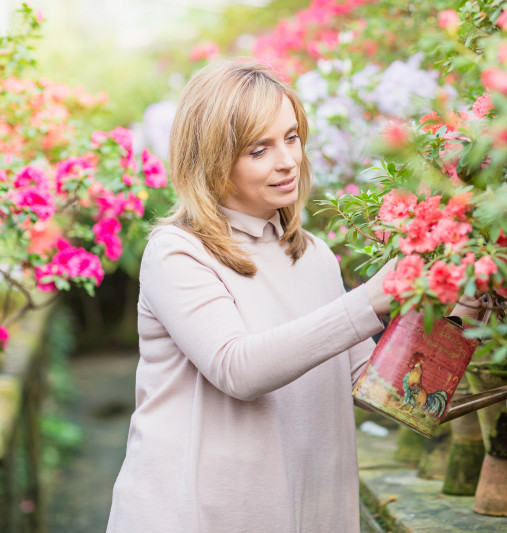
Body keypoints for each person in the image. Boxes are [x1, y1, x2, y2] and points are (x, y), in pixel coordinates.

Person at [106, 59, 399, 533]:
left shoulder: (314, 255)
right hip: (197, 516)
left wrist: (455, 316)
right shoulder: (178, 253)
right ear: (213, 159)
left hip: (306, 513)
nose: (287, 160)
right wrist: (370, 301)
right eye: (259, 149)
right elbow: (237, 368)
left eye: (292, 137)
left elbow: (377, 387)